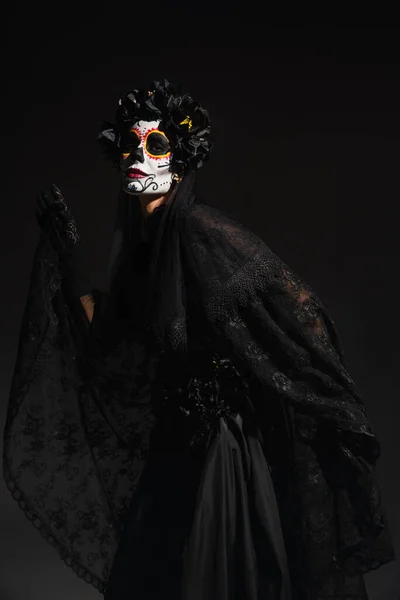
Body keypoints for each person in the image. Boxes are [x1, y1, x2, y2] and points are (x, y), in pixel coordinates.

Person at [3, 80, 395, 600]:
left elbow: (300, 306)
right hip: (174, 449)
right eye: (129, 145)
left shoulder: (198, 230)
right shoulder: (146, 248)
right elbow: (110, 342)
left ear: (182, 161)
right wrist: (66, 254)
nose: (138, 157)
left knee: (210, 576)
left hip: (221, 457)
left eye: (156, 145)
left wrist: (302, 387)